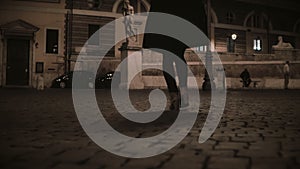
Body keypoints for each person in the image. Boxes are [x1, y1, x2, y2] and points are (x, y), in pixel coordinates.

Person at [143, 0, 207, 110]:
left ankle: (174, 95)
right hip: (181, 16)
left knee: (167, 56)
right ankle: (183, 93)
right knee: (178, 54)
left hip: (166, 14)